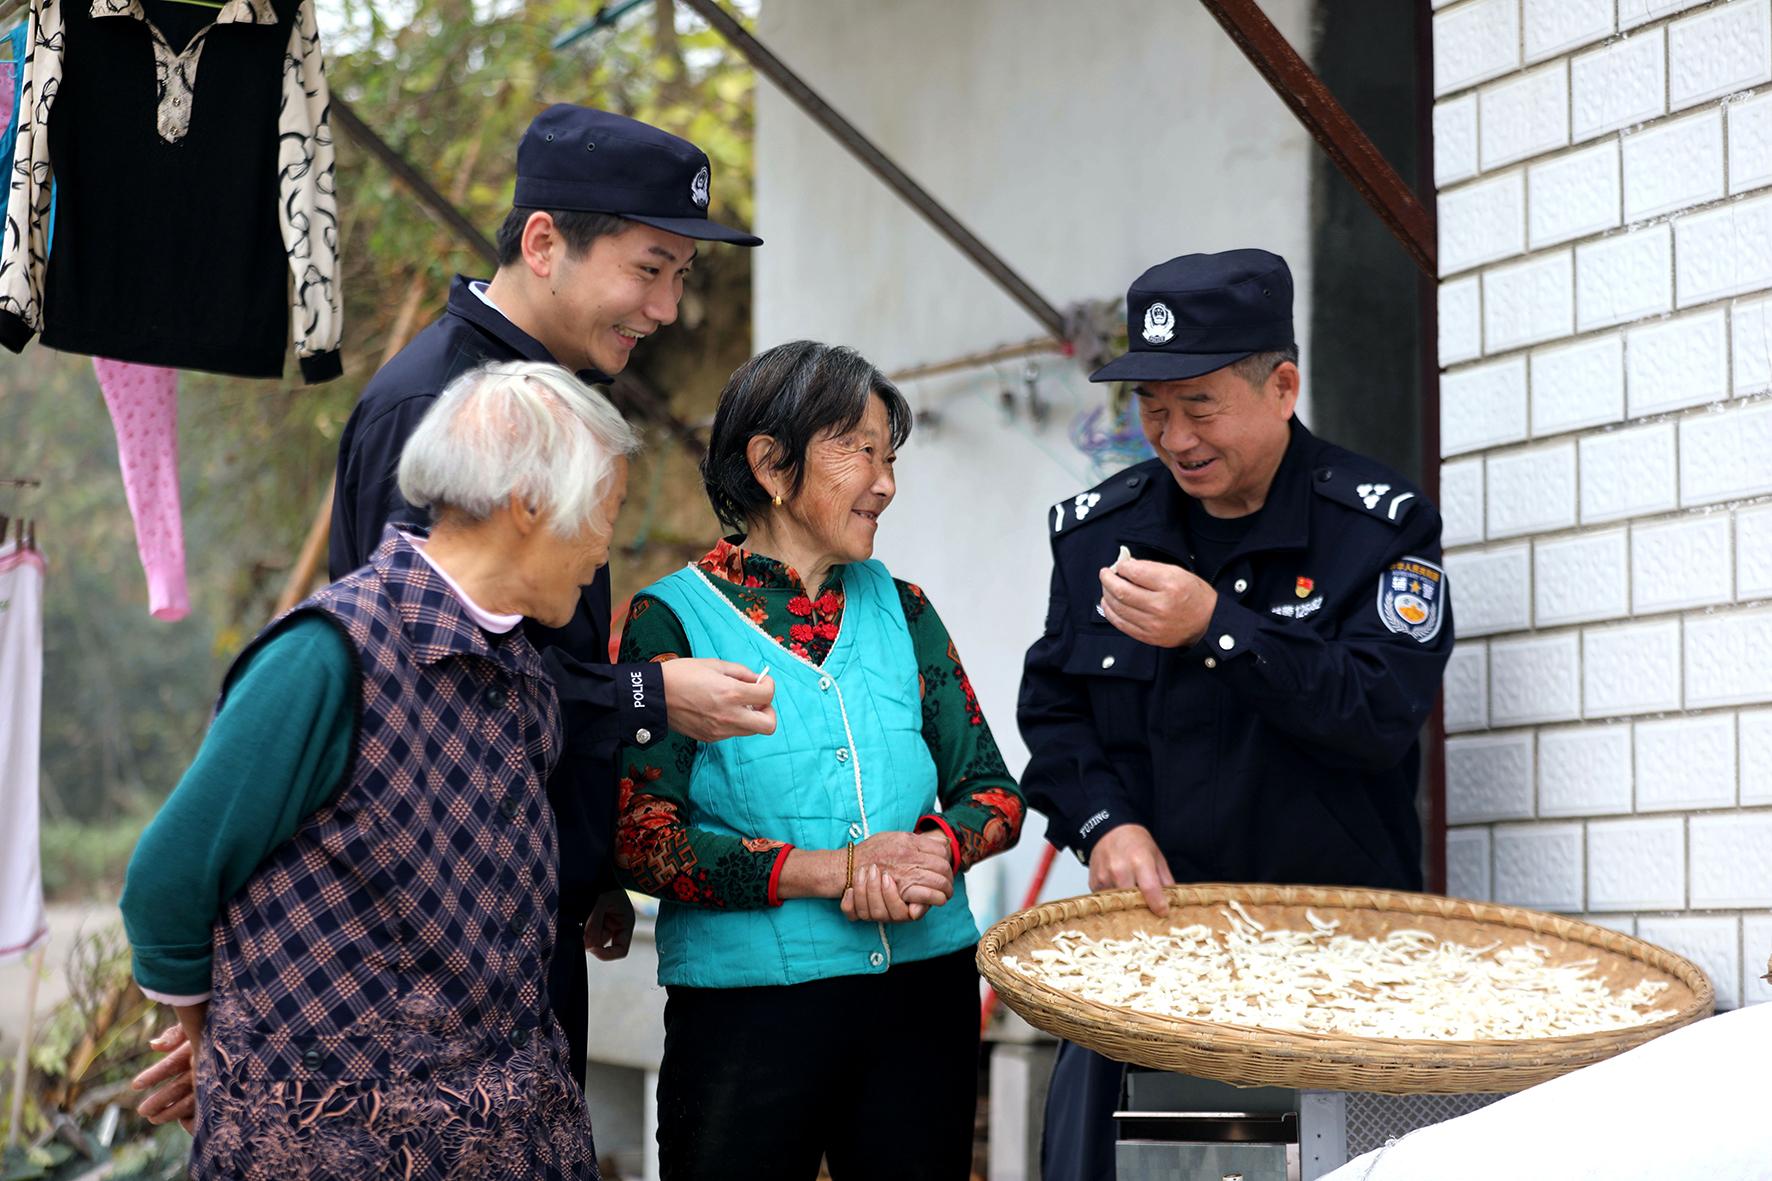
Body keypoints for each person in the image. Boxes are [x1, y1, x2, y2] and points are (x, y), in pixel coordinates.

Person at [132, 105, 772, 1127]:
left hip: (514, 929)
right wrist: (212, 1010)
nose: (666, 307)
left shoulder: (558, 397)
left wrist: (586, 859)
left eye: (683, 275)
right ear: (543, 243)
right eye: (649, 269)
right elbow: (427, 681)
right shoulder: (434, 408)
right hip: (413, 972)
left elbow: (520, 676)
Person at [120, 363, 639, 1178]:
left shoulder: (522, 674)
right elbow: (166, 882)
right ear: (530, 503)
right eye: (605, 509)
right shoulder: (329, 657)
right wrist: (214, 1041)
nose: (607, 544)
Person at [1019, 249, 1455, 1178]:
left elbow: (1377, 712)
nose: (1174, 437)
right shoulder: (1101, 534)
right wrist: (1106, 824)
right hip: (1149, 959)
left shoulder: (1377, 530)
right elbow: (1055, 715)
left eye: (1200, 405)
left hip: (1335, 966)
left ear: (1282, 387)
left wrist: (1218, 627)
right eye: (1152, 407)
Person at [614, 341, 1026, 1181]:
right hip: (748, 1017)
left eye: (891, 456)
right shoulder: (672, 620)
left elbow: (993, 790)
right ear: (771, 464)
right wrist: (835, 870)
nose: (886, 482)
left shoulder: (906, 610)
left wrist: (935, 850)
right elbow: (643, 840)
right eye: (861, 451)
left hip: (923, 996)